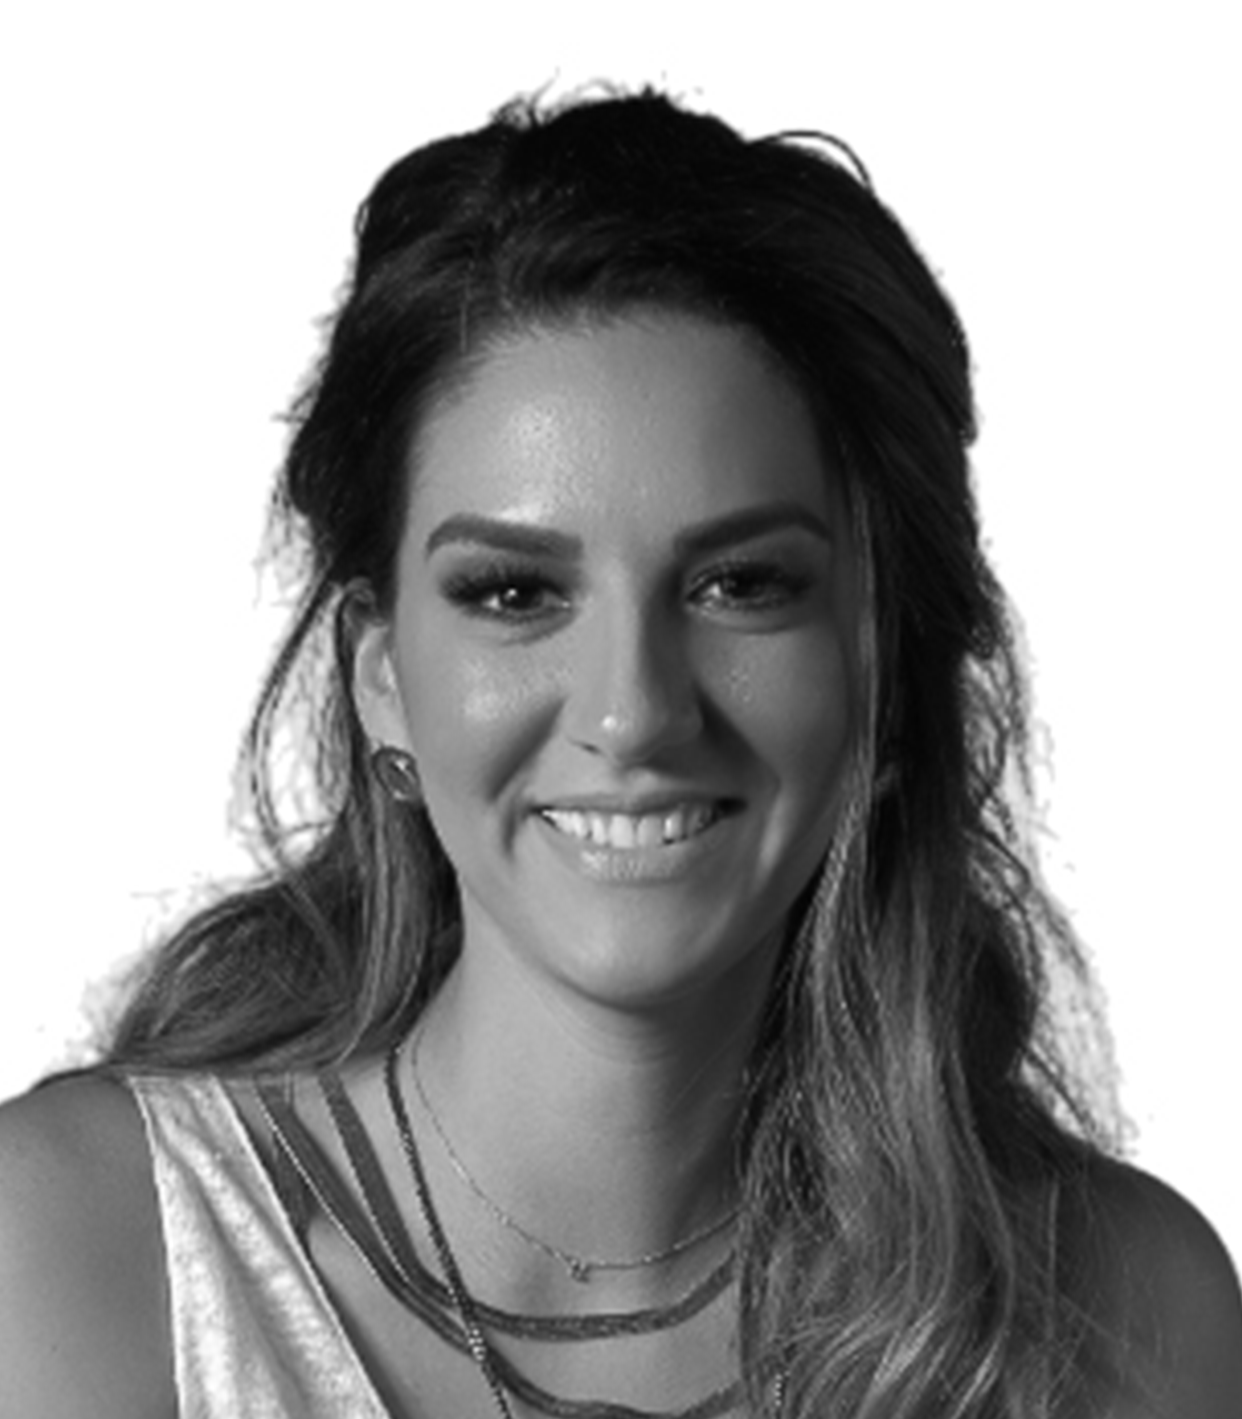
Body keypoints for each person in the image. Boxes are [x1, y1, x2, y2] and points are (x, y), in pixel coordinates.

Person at [1, 88, 1238, 1419]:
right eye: (514, 593)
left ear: (883, 668)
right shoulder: (79, 1252)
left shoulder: (1120, 1304)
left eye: (740, 583)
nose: (634, 711)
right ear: (382, 679)